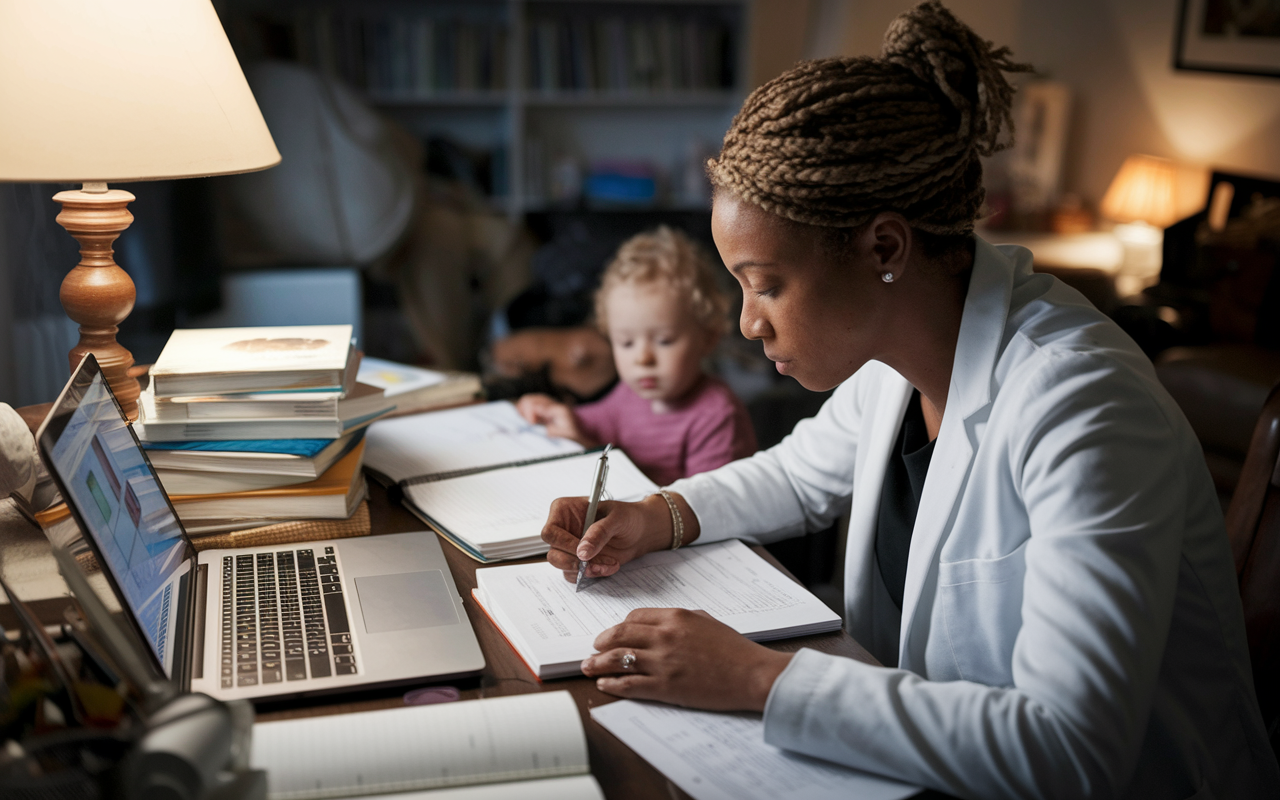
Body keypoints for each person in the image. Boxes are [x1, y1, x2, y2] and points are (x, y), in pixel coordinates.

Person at [534, 3, 1280, 798]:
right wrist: (659, 516)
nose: (748, 322)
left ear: (885, 247)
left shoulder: (1086, 408)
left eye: (768, 285)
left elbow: (1072, 749)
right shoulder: (902, 353)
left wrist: (760, 679)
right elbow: (795, 476)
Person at [517, 226, 757, 486]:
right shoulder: (629, 395)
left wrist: (591, 450)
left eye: (664, 341)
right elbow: (590, 423)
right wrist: (554, 413)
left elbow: (705, 507)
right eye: (626, 342)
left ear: (708, 337)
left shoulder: (717, 416)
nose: (643, 359)